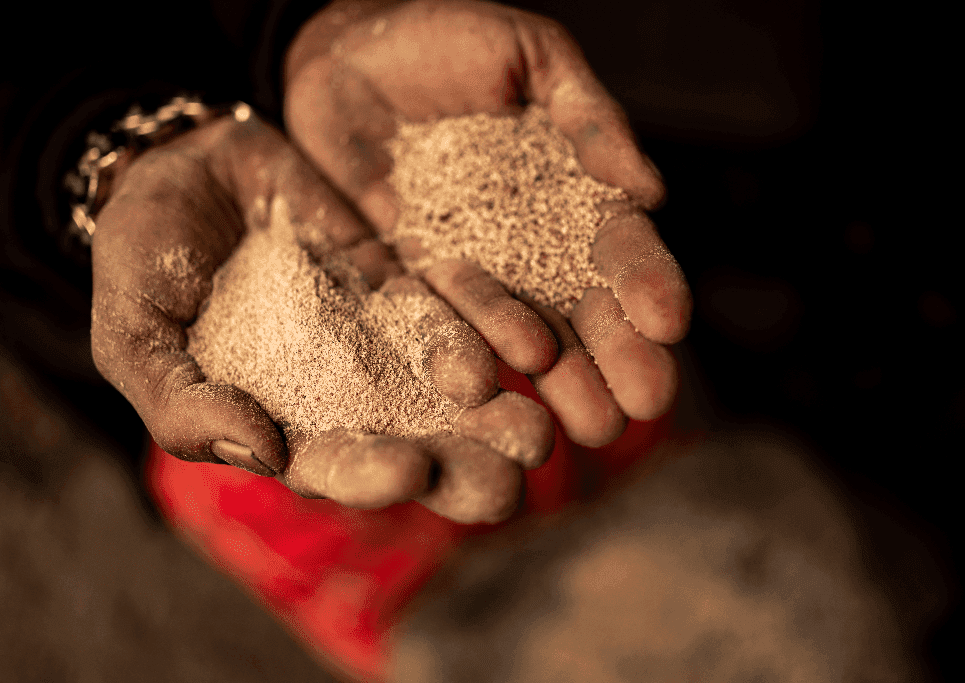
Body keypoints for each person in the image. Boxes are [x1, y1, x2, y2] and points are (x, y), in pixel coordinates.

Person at [3, 0, 692, 678]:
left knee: (617, 452)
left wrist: (312, 17)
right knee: (428, 603)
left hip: (456, 260)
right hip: (177, 275)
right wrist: (85, 145)